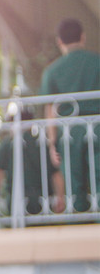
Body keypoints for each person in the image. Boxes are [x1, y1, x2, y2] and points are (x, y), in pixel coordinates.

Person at [42, 18, 100, 214]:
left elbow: (50, 110)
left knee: (75, 188)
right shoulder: (97, 62)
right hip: (98, 128)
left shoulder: (52, 71)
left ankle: (81, 230)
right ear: (83, 37)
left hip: (70, 134)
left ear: (60, 41)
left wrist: (52, 143)